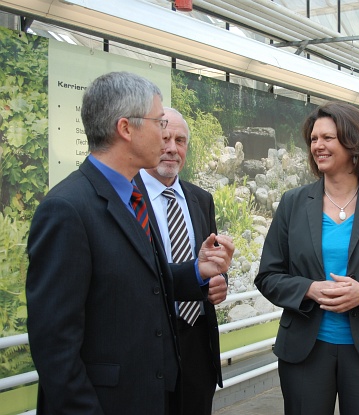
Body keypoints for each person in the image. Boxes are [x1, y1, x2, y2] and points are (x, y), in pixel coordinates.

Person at [26, 72, 234, 415]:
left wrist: (198, 271)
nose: (165, 139)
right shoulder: (67, 210)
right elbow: (54, 347)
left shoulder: (130, 198)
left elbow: (145, 283)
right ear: (126, 129)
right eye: (158, 123)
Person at [255, 101, 359, 415]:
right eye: (314, 139)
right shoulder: (293, 203)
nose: (317, 145)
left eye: (327, 138)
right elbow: (268, 276)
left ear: (353, 142)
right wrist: (309, 289)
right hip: (306, 350)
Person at [135, 107, 227, 415]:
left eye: (180, 140)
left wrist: (218, 282)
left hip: (198, 347)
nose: (172, 148)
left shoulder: (201, 199)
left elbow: (208, 264)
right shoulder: (126, 197)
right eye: (164, 138)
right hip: (149, 347)